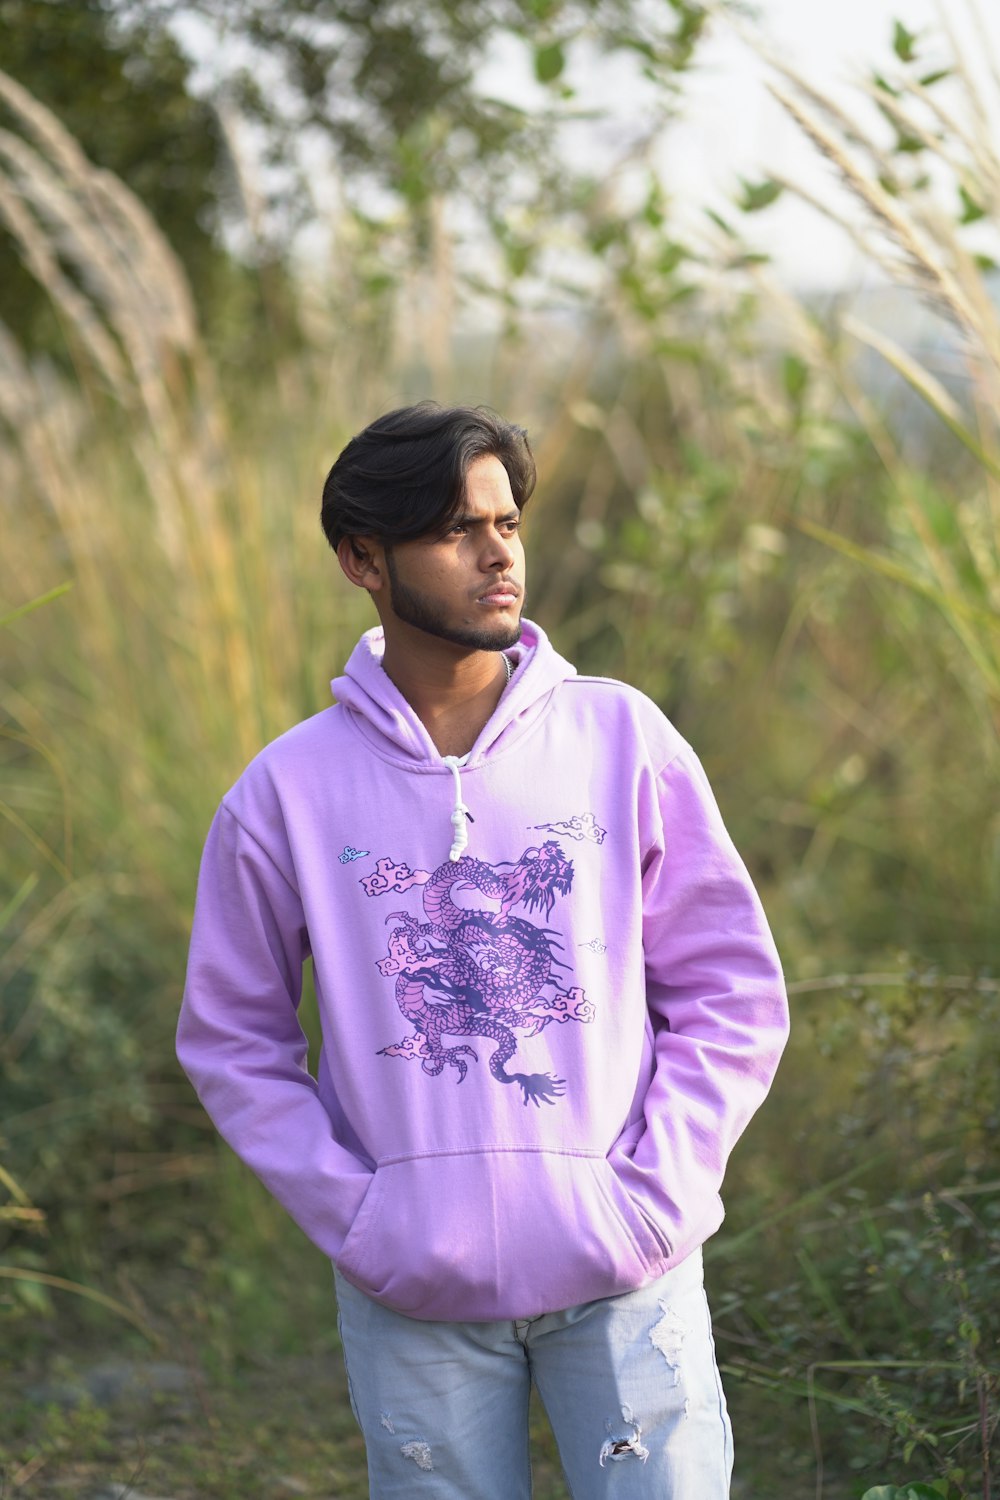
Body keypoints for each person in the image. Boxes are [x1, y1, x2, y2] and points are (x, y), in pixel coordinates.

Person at [177, 401, 789, 1499]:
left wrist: (656, 1192)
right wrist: (362, 1219)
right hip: (412, 1289)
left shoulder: (621, 738)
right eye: (456, 529)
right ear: (363, 559)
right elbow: (232, 1040)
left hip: (625, 1272)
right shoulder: (285, 794)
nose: (497, 552)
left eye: (506, 522)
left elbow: (731, 991)